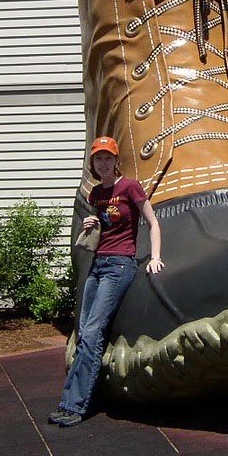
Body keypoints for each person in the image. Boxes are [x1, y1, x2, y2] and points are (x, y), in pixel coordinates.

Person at [48, 135, 164, 427]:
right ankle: (71, 400)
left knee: (93, 332)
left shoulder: (130, 187)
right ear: (93, 163)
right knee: (84, 333)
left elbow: (152, 221)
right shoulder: (95, 194)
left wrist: (155, 256)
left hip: (119, 264)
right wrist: (91, 223)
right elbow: (104, 226)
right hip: (97, 264)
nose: (103, 162)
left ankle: (73, 405)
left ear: (116, 160)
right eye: (98, 158)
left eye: (107, 157)